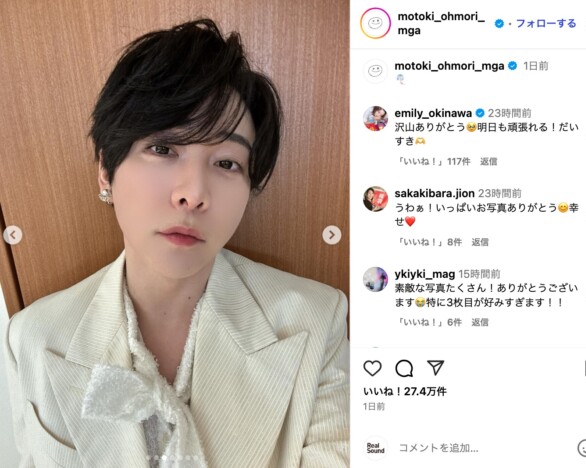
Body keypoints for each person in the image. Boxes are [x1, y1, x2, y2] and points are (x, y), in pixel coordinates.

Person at [3, 19, 349, 468]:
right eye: (164, 149)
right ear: (106, 170)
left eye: (227, 162)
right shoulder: (36, 337)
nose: (194, 193)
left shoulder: (316, 321)